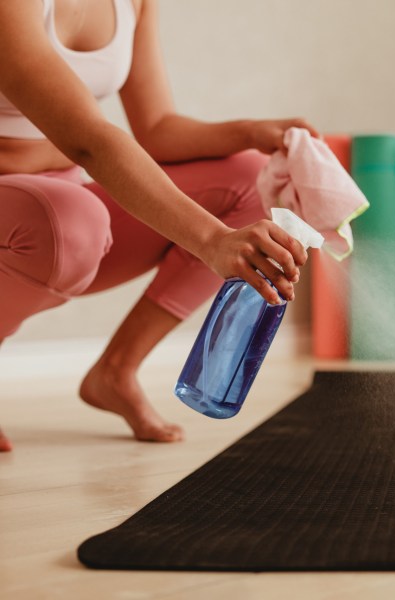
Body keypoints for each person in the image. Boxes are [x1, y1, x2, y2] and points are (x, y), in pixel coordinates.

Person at [0, 0, 320, 452]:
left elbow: (156, 129)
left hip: (62, 210)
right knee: (72, 219)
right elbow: (88, 141)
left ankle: (116, 371)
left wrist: (251, 132)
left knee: (249, 182)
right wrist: (211, 240)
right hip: (30, 218)